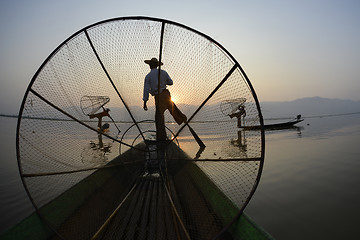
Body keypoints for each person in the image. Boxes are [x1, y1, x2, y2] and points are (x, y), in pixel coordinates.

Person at [143, 58, 187, 140]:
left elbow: (146, 90)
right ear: (157, 65)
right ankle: (183, 119)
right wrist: (163, 82)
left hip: (159, 97)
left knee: (159, 117)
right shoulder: (163, 72)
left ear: (150, 65)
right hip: (166, 94)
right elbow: (171, 82)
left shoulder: (148, 76)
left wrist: (145, 102)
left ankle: (161, 137)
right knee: (174, 109)